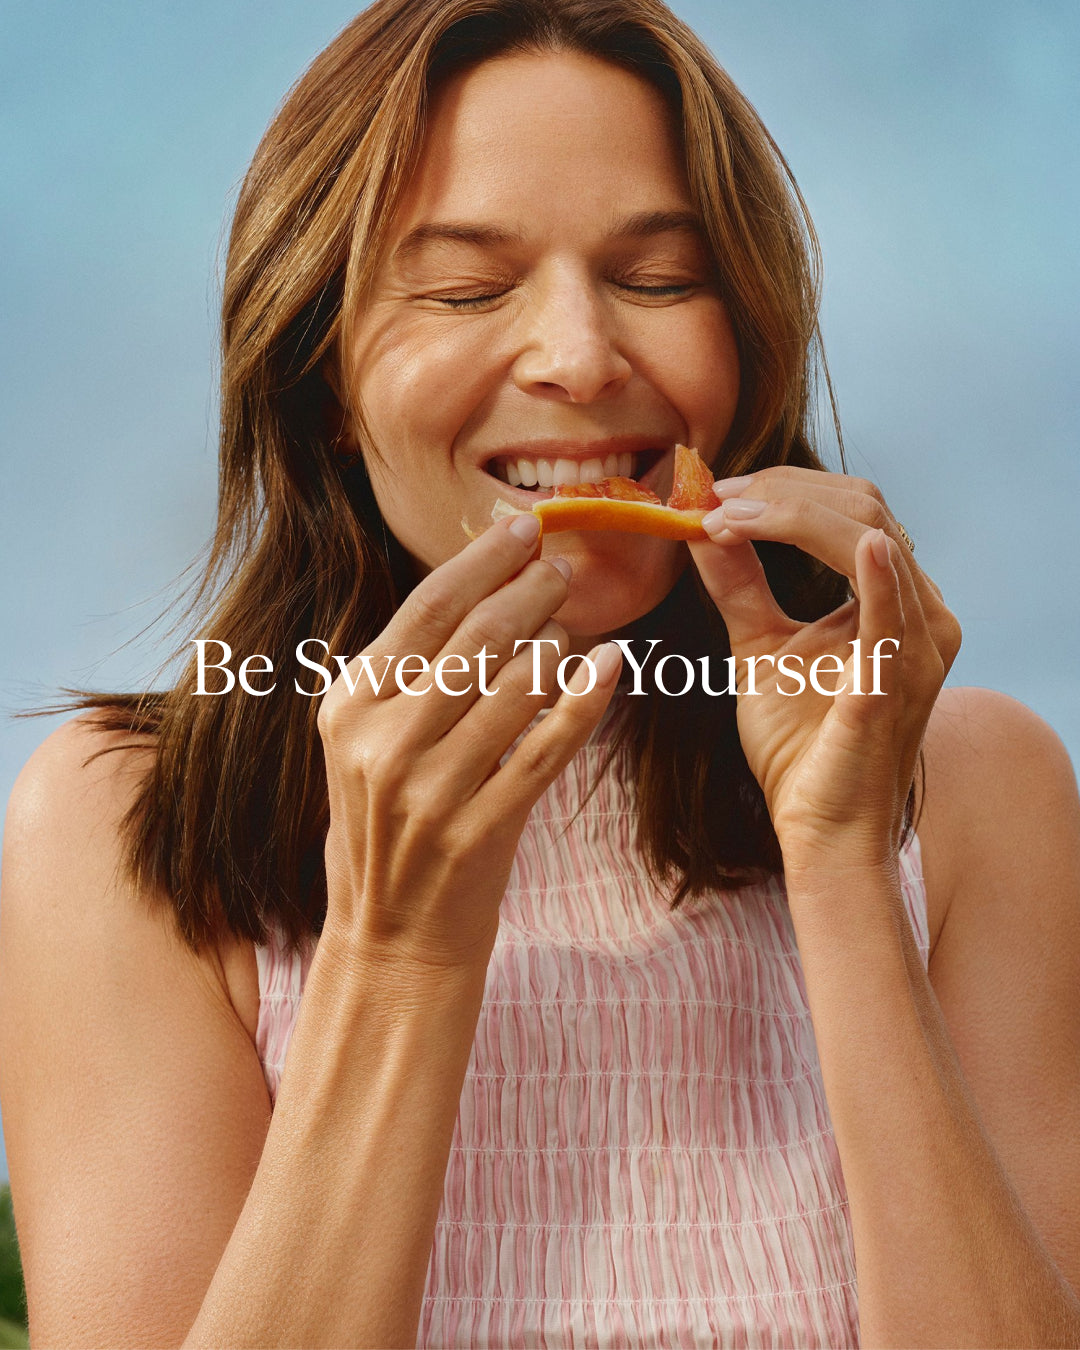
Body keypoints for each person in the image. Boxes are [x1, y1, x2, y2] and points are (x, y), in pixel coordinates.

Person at [2, 0, 1079, 1345]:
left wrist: (849, 865)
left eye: (659, 279)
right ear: (322, 374)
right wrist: (395, 949)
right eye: (466, 289)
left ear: (743, 348)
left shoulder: (976, 787)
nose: (578, 358)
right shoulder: (119, 825)